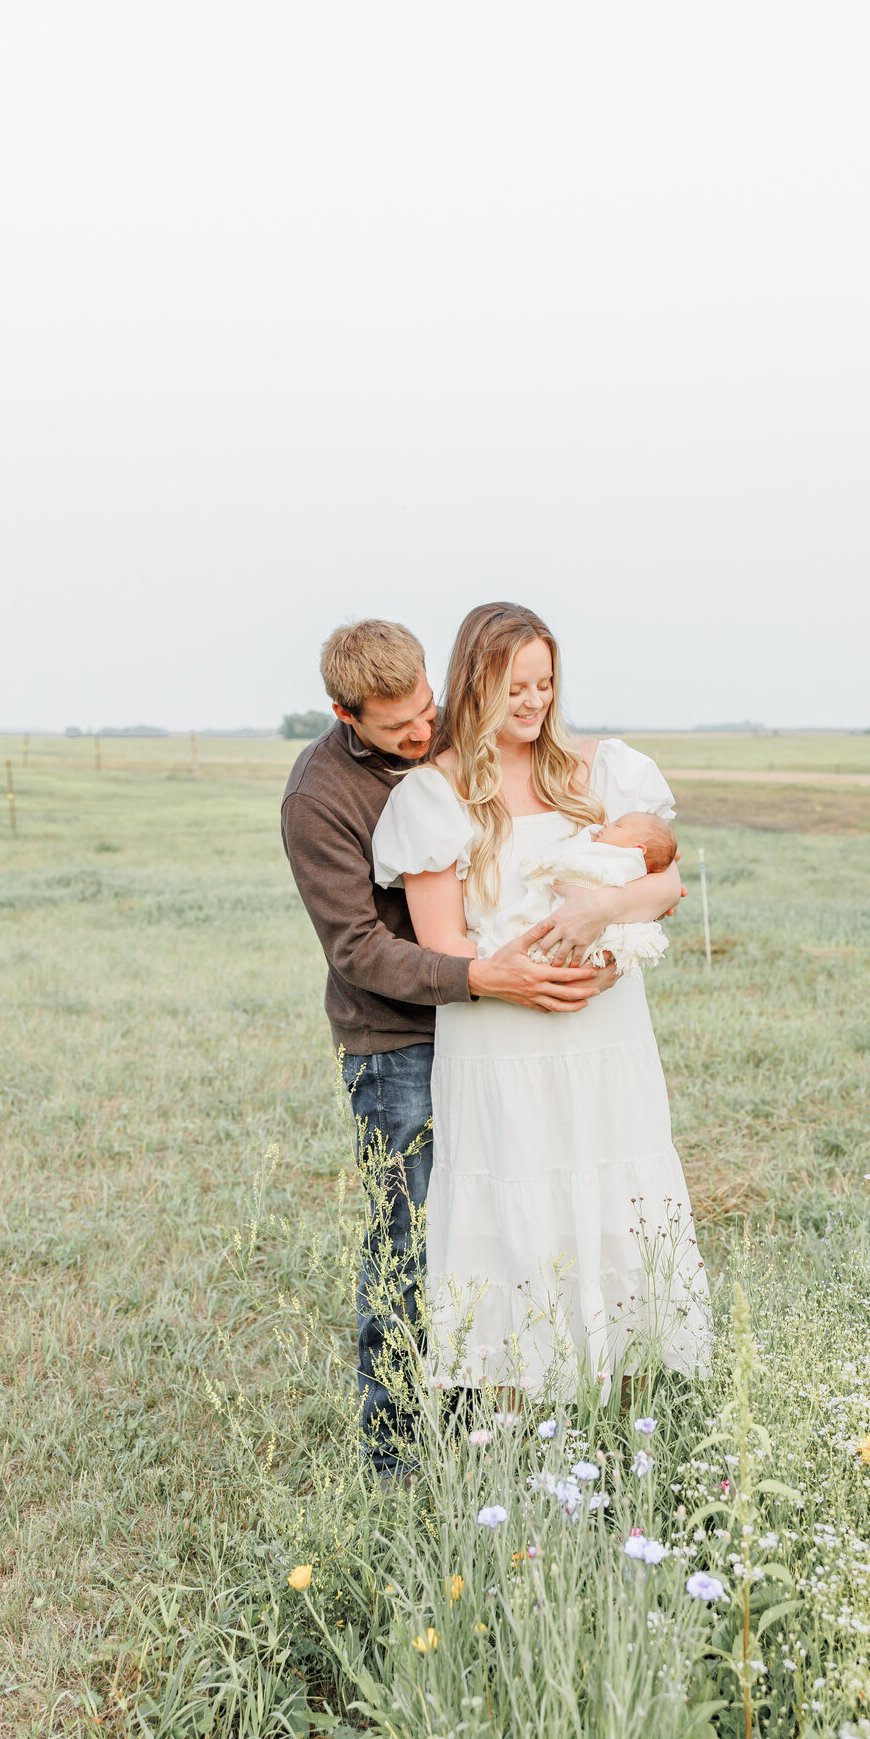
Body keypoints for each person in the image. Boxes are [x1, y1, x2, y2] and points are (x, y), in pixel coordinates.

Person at [281, 618, 614, 1481]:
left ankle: (480, 1434)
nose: (421, 731)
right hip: (397, 1043)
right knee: (411, 1238)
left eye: (426, 707)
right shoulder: (317, 798)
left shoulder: (459, 747)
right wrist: (486, 977)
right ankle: (397, 1462)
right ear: (343, 713)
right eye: (397, 727)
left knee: (492, 1231)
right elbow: (356, 947)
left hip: (493, 1035)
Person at [371, 601, 711, 1397]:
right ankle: (514, 1420)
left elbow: (668, 881)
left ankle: (630, 1402)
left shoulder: (603, 771)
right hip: (499, 1040)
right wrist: (519, 976)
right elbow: (441, 942)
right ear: (474, 683)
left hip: (605, 1032)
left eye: (545, 685)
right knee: (515, 1205)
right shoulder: (434, 793)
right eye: (514, 687)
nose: (532, 704)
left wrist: (598, 911)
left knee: (612, 1191)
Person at [476, 810, 679, 975]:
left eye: (617, 826)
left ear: (638, 849)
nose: (606, 825)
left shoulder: (626, 861)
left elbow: (579, 863)